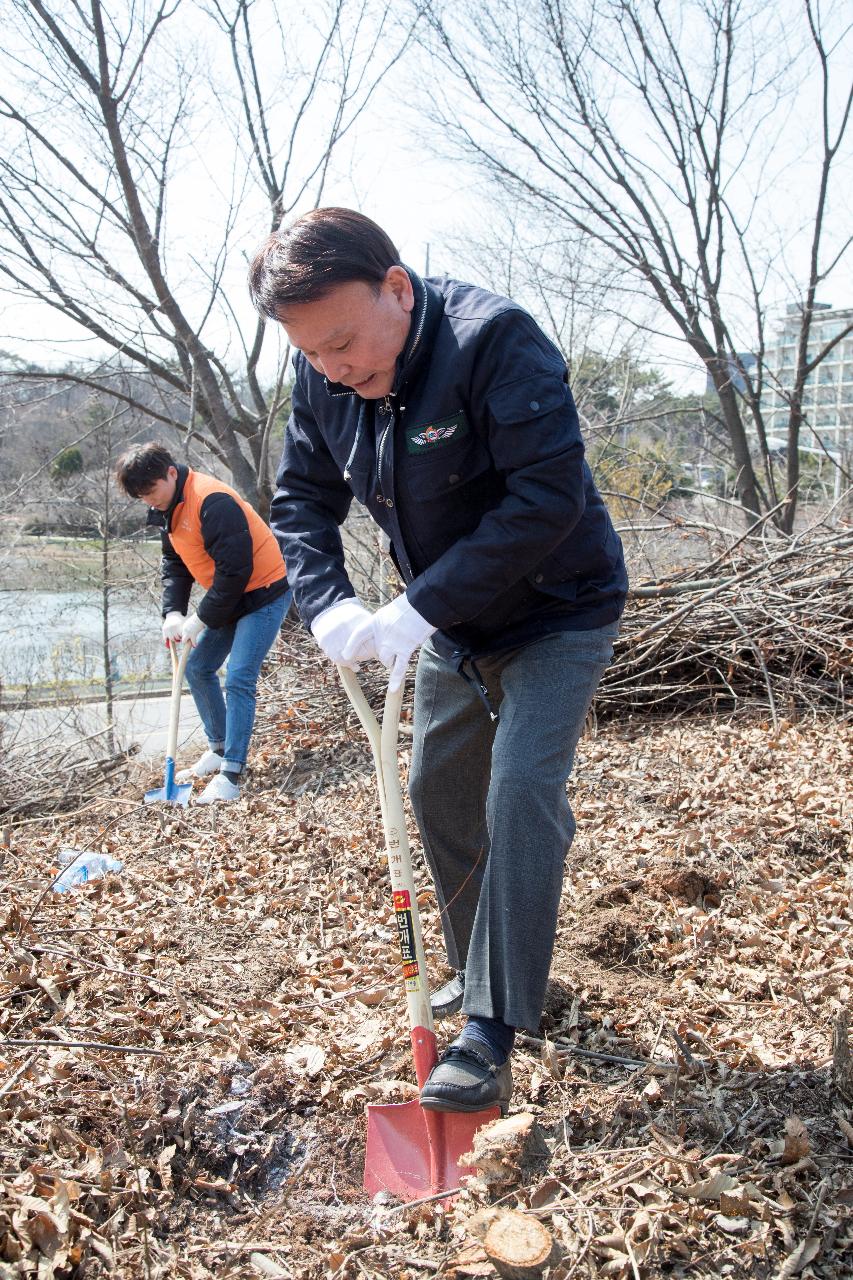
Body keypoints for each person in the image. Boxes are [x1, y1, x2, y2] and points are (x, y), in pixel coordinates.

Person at [249, 208, 627, 1113]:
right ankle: (481, 967)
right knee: (435, 788)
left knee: (521, 790)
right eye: (313, 354)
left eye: (344, 341)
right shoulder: (322, 378)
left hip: (558, 607)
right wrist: (328, 603)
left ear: (397, 288)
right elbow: (300, 498)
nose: (336, 368)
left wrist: (417, 605)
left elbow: (548, 498)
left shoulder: (494, 341)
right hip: (456, 628)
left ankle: (493, 1028)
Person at [116, 442, 291, 804]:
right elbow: (175, 563)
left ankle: (231, 772)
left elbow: (235, 572)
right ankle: (219, 746)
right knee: (197, 668)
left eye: (151, 491)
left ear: (170, 473)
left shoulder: (212, 500)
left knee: (240, 675)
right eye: (141, 497)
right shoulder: (167, 508)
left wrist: (200, 619)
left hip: (264, 592)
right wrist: (173, 612)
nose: (149, 501)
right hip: (229, 595)